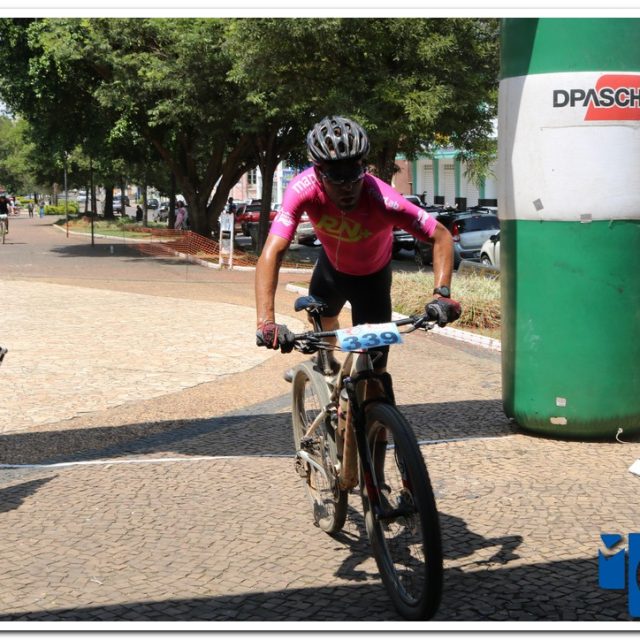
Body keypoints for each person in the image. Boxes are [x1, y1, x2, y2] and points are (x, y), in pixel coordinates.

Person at [254, 115, 461, 381]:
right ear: (318, 172)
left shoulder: (384, 199)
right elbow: (272, 252)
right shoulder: (302, 189)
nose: (347, 186)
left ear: (364, 166)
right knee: (323, 327)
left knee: (375, 374)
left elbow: (441, 236)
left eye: (354, 173)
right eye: (335, 176)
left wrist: (442, 294)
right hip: (330, 274)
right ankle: (324, 363)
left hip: (373, 282)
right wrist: (266, 321)